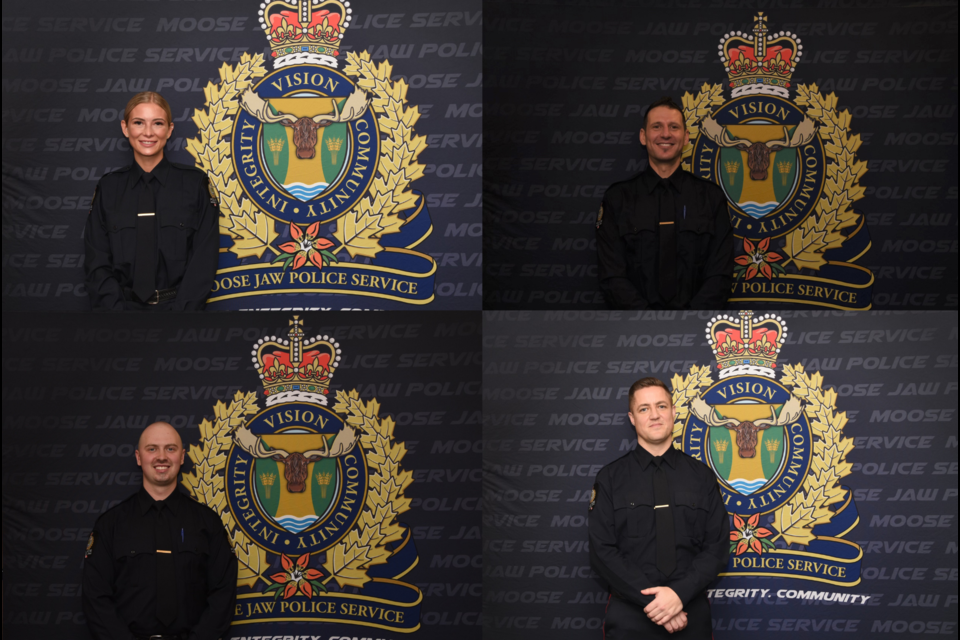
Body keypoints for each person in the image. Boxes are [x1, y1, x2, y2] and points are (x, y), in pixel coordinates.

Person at [588, 378, 729, 638]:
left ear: (674, 412)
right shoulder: (609, 478)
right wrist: (658, 604)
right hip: (630, 614)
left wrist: (677, 595)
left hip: (689, 614)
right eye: (644, 409)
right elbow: (601, 551)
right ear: (632, 418)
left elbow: (717, 546)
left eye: (661, 406)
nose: (654, 415)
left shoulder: (703, 476)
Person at [82, 422, 237, 640]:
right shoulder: (110, 525)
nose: (161, 457)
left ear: (182, 457)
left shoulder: (208, 523)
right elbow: (95, 597)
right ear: (138, 457)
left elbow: (224, 593)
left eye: (170, 449)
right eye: (152, 449)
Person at [84, 92, 219, 310]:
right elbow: (96, 260)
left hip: (178, 314)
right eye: (139, 123)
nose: (148, 132)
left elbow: (203, 261)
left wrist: (179, 320)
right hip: (119, 316)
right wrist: (116, 316)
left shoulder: (195, 185)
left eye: (157, 123)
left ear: (169, 130)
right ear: (125, 128)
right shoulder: (108, 188)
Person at [596, 97, 733, 309]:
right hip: (633, 332)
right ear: (643, 136)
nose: (666, 134)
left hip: (696, 331)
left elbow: (720, 275)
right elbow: (612, 275)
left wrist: (687, 325)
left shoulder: (711, 198)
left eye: (674, 127)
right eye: (656, 127)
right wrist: (648, 324)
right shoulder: (618, 198)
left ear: (686, 137)